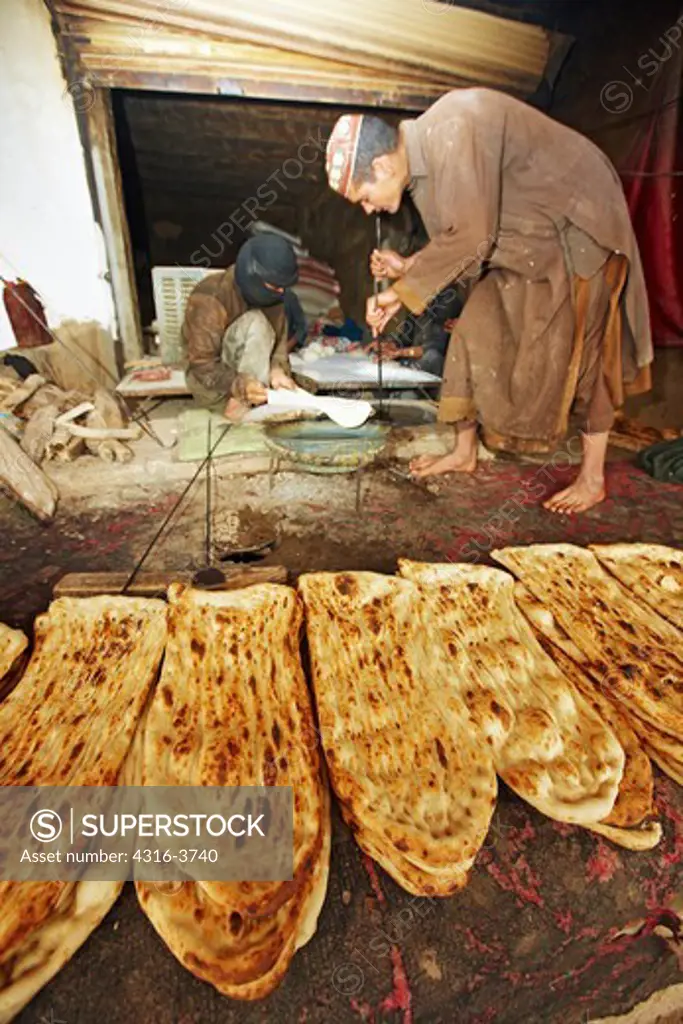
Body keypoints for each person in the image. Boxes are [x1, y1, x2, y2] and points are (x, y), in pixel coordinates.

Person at [324, 90, 653, 514]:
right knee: (471, 330)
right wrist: (409, 267)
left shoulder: (453, 127)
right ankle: (465, 451)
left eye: (364, 197)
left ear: (383, 165)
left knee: (584, 354)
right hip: (527, 242)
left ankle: (592, 479)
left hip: (577, 226)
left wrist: (398, 293)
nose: (369, 210)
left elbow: (470, 236)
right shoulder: (426, 166)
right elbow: (458, 235)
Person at [182, 235, 299, 421]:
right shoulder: (211, 297)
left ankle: (254, 400)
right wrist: (241, 386)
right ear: (251, 273)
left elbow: (278, 351)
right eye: (274, 286)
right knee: (257, 322)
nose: (281, 292)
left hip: (256, 383)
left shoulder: (275, 299)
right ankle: (239, 404)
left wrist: (277, 372)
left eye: (283, 287)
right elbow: (202, 365)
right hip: (213, 385)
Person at [369, 285, 463, 377]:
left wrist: (399, 352)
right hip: (414, 361)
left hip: (438, 366)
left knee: (432, 356)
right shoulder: (416, 300)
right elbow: (405, 337)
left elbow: (434, 347)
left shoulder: (447, 300)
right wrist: (388, 346)